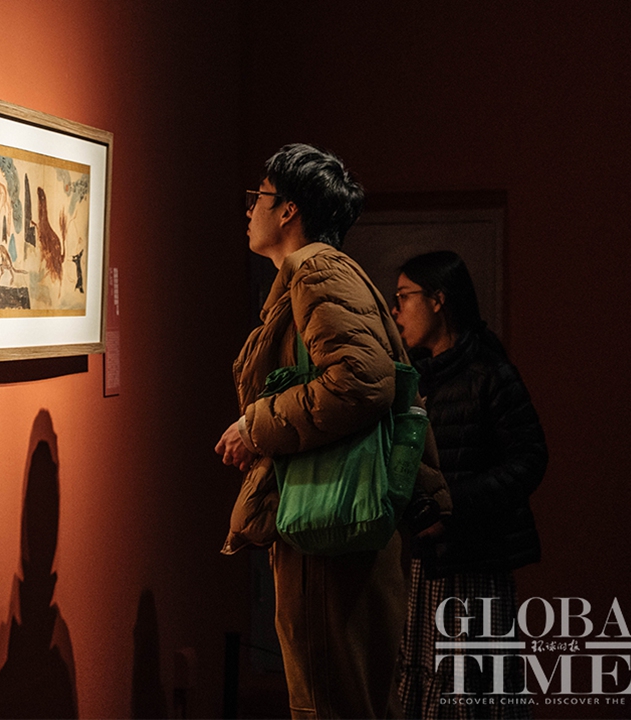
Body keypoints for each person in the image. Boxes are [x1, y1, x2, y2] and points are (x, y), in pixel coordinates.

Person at [215, 144, 447, 718]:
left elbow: (360, 382)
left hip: (331, 524)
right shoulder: (319, 273)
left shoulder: (316, 271)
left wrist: (255, 427)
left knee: (330, 701)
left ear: (288, 209)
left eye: (259, 197)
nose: (249, 209)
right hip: (335, 523)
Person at [391, 251, 547, 719]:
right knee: (426, 694)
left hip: (476, 566)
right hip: (427, 564)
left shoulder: (490, 372)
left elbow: (530, 460)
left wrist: (450, 507)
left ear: (438, 300)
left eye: (404, 297)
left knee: (472, 695)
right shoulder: (418, 378)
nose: (395, 311)